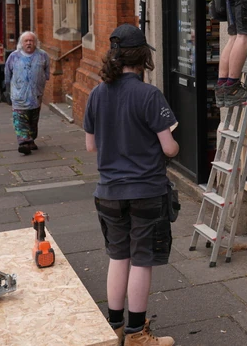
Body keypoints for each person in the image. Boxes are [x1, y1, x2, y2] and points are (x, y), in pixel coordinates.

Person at [84, 24, 179, 346]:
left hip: (108, 192)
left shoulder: (97, 94)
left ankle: (114, 329)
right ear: (142, 58)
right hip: (146, 191)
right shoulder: (149, 95)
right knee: (141, 260)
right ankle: (137, 334)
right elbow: (169, 148)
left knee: (118, 257)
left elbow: (90, 146)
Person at [3, 31, 51, 155]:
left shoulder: (43, 56)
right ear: (21, 43)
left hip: (36, 96)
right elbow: (7, 74)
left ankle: (31, 139)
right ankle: (24, 142)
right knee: (19, 119)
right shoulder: (14, 57)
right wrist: (8, 90)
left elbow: (46, 73)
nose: (29, 43)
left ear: (36, 42)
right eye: (26, 41)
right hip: (19, 95)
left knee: (33, 120)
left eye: (31, 41)